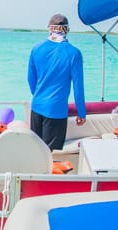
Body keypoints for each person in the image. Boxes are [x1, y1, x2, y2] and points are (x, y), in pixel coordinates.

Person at [27, 14, 86, 150]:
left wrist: (39, 96)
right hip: (56, 110)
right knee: (52, 156)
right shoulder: (74, 53)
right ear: (67, 30)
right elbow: (78, 88)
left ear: (50, 28)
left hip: (36, 107)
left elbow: (31, 79)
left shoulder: (36, 48)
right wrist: (81, 113)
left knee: (36, 151)